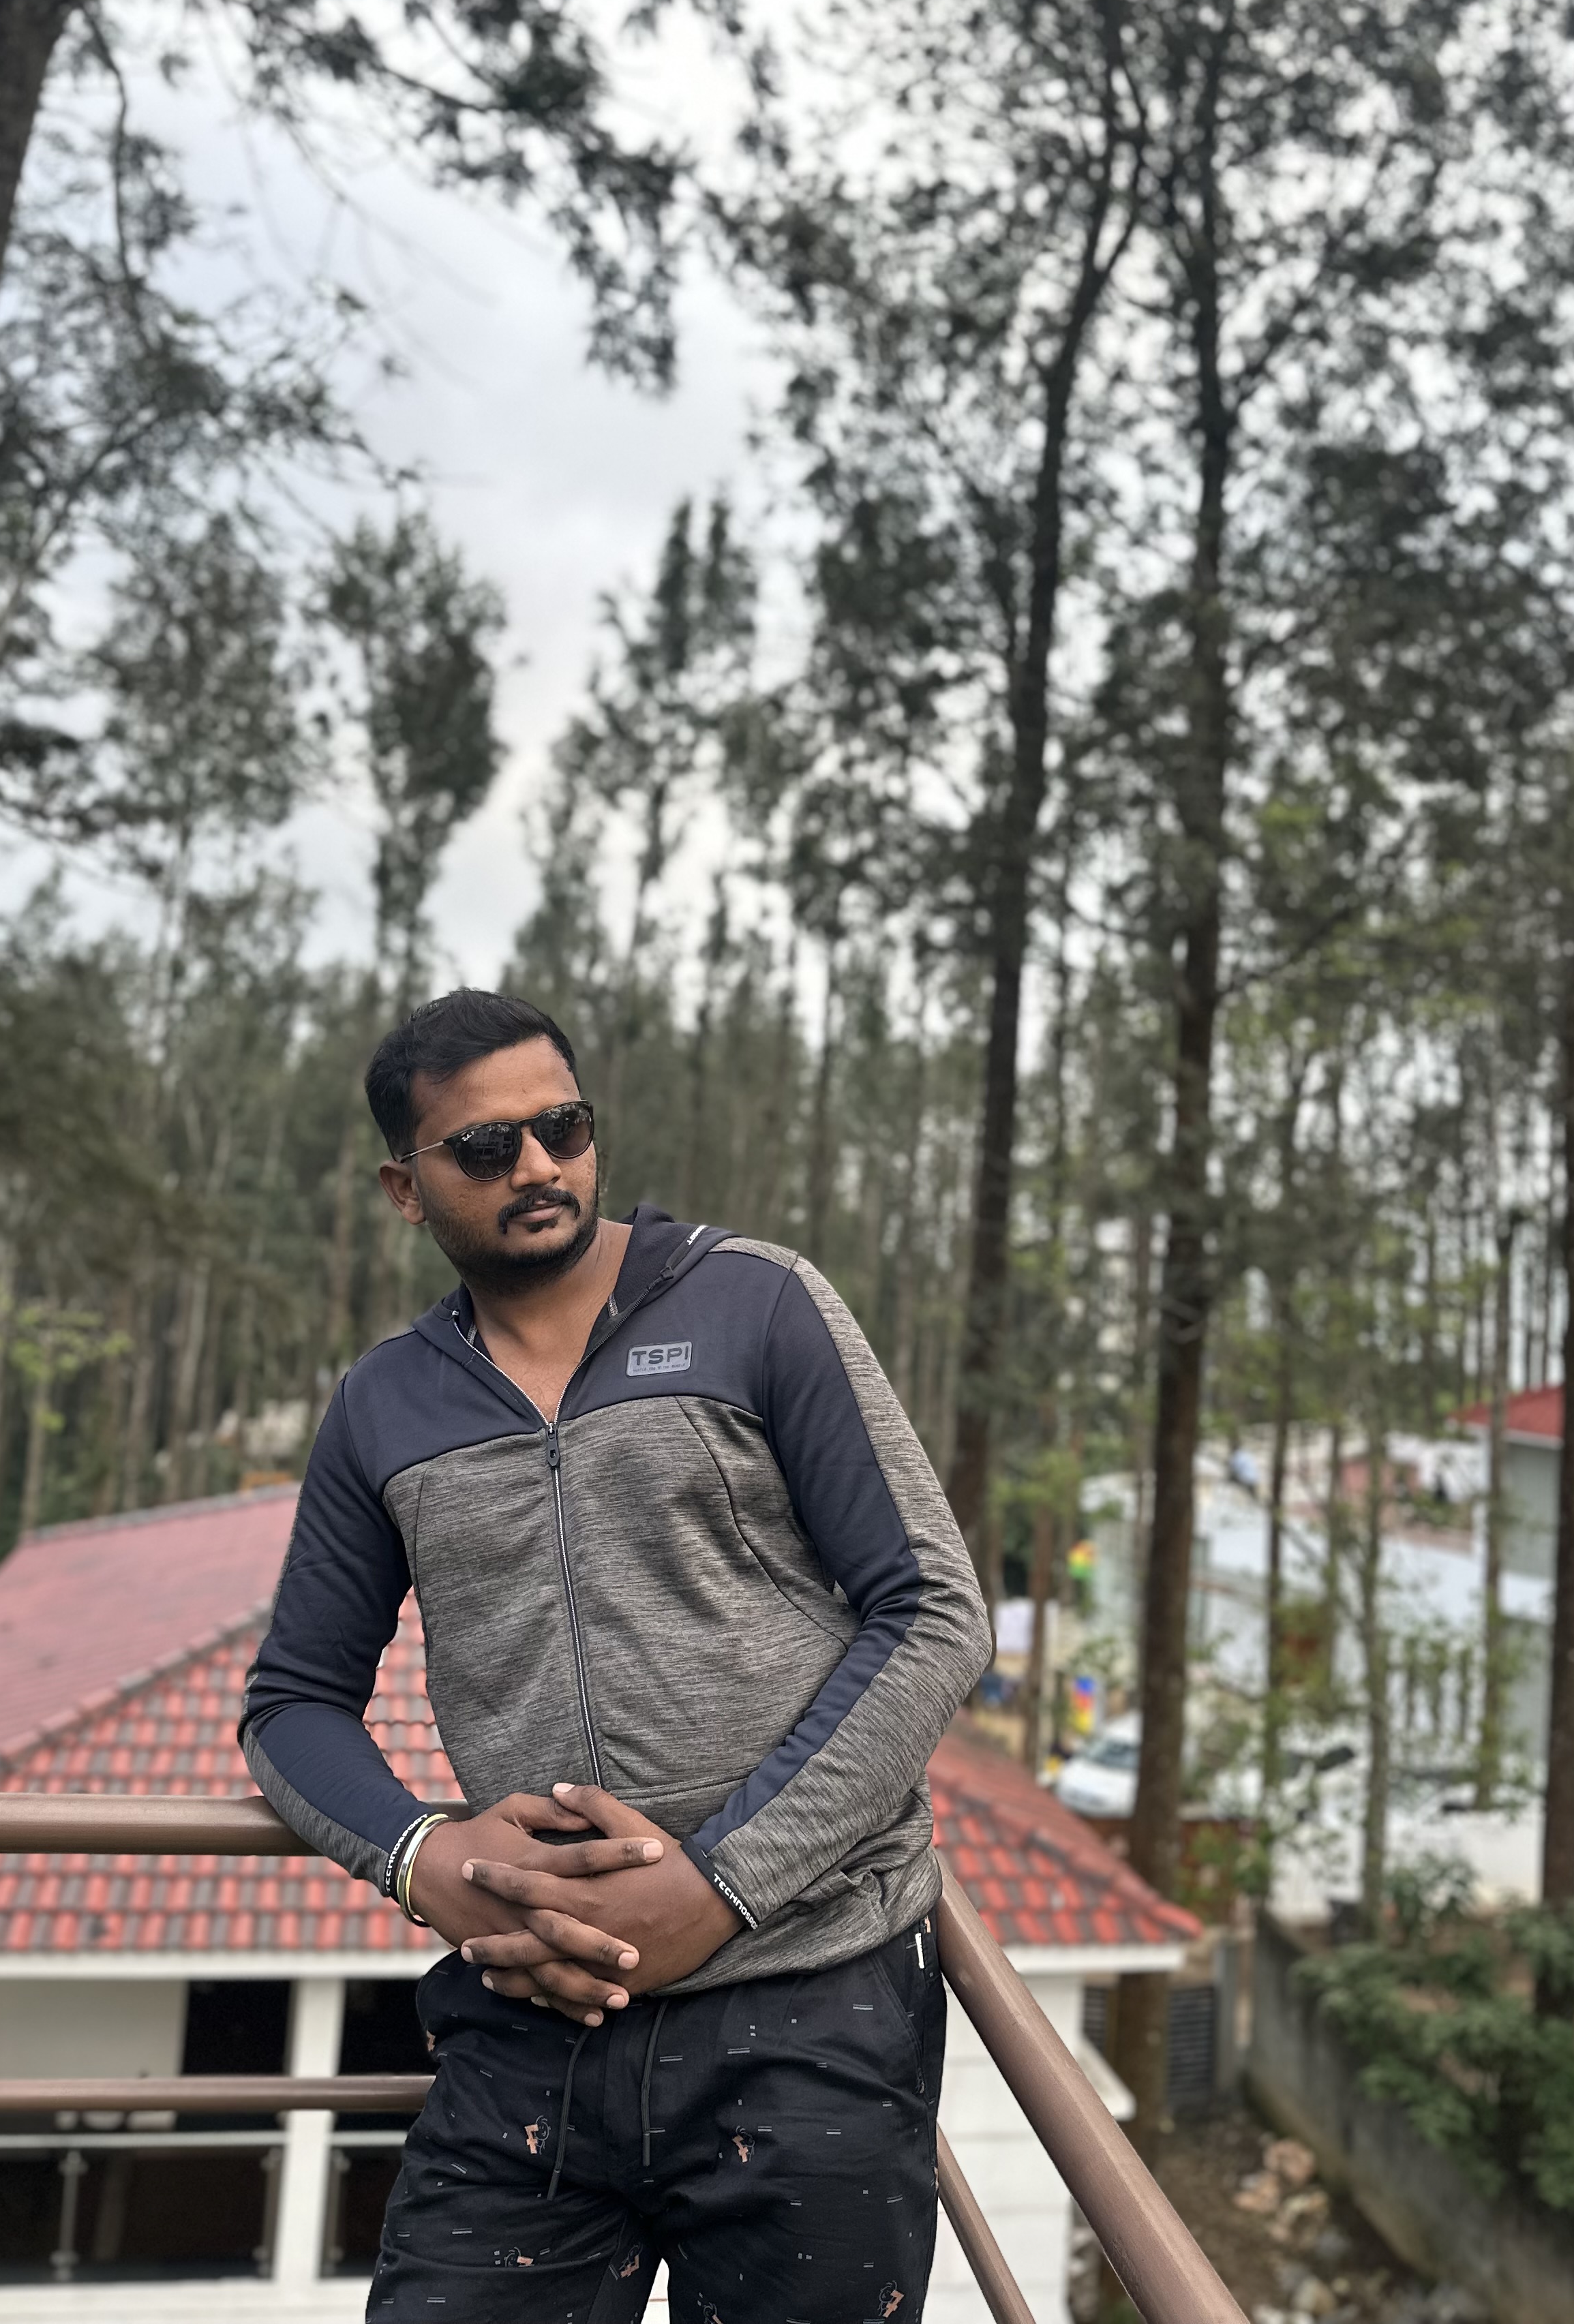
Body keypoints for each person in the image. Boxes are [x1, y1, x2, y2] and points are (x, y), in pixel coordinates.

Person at [243, 988, 991, 2324]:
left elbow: (933, 1609)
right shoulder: (383, 1403)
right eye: (487, 1148)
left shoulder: (755, 1303)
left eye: (564, 1128)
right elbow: (293, 1703)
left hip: (810, 2006)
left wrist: (720, 1887)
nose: (538, 1166)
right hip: (533, 2019)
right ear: (406, 1188)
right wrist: (428, 1861)